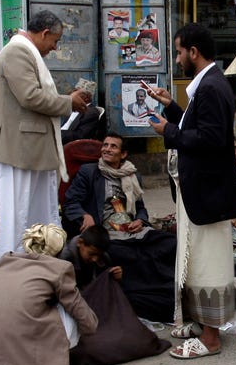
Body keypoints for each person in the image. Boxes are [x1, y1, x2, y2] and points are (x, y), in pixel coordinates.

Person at [145, 23, 236, 359]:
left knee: (208, 261)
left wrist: (167, 131)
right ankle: (202, 323)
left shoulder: (212, 87)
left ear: (194, 52)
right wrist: (172, 108)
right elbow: (198, 125)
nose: (179, 58)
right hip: (201, 190)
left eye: (180, 52)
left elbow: (212, 140)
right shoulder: (209, 84)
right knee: (196, 258)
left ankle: (211, 339)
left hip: (209, 193)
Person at [0, 10, 88, 257]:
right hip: (19, 147)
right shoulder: (17, 52)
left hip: (31, 146)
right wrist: (68, 103)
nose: (54, 47)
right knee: (20, 210)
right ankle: (16, 260)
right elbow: (30, 96)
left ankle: (39, 254)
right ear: (44, 34)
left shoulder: (25, 52)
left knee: (36, 207)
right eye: (55, 41)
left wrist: (67, 99)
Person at [0, 223, 98, 365]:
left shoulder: (3, 264)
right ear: (59, 251)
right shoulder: (59, 268)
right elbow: (88, 323)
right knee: (67, 307)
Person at [62, 133, 177, 323]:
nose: (107, 149)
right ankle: (145, 292)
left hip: (132, 230)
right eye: (105, 145)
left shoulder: (132, 175)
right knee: (122, 255)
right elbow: (70, 202)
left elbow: (140, 208)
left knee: (170, 243)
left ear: (123, 154)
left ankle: (172, 290)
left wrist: (140, 220)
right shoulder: (89, 172)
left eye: (113, 146)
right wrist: (85, 215)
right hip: (107, 232)